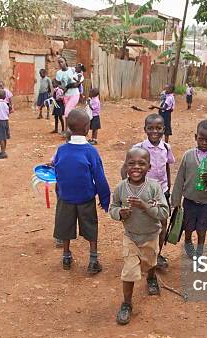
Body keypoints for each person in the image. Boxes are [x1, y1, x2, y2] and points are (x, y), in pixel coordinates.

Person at [111, 147, 170, 325]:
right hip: (131, 236)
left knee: (150, 262)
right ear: (125, 166)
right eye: (131, 163)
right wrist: (120, 213)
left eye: (141, 164)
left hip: (151, 236)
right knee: (129, 272)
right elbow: (112, 208)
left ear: (149, 167)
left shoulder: (154, 187)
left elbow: (164, 213)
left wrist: (145, 206)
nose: (136, 167)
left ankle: (151, 277)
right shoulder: (121, 187)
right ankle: (127, 304)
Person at [51, 108, 110, 274]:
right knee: (90, 226)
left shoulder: (61, 150)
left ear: (69, 128)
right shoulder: (91, 151)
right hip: (85, 197)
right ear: (87, 128)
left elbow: (58, 170)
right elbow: (99, 177)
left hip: (65, 197)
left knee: (66, 227)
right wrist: (105, 198)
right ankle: (93, 260)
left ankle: (66, 257)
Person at [123, 113, 175, 269]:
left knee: (162, 223)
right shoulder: (138, 148)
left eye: (159, 128)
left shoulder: (166, 147)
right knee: (145, 223)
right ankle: (139, 253)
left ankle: (156, 254)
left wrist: (169, 186)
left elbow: (167, 166)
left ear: (164, 129)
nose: (155, 131)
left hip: (162, 191)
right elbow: (125, 168)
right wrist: (128, 186)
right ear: (145, 129)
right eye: (150, 128)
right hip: (144, 193)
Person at [171, 120, 207, 258]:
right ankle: (188, 242)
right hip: (189, 200)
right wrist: (175, 201)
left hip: (206, 202)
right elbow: (179, 179)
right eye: (201, 139)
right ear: (196, 137)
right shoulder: (188, 156)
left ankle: (200, 251)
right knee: (188, 227)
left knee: (202, 229)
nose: (204, 143)